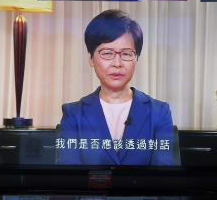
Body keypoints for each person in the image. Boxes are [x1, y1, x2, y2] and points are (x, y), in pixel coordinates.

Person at [58, 10, 175, 165]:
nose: (117, 63)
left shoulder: (159, 112)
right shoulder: (73, 114)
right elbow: (69, 176)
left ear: (136, 59)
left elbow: (164, 177)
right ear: (91, 59)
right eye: (107, 53)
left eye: (126, 54)